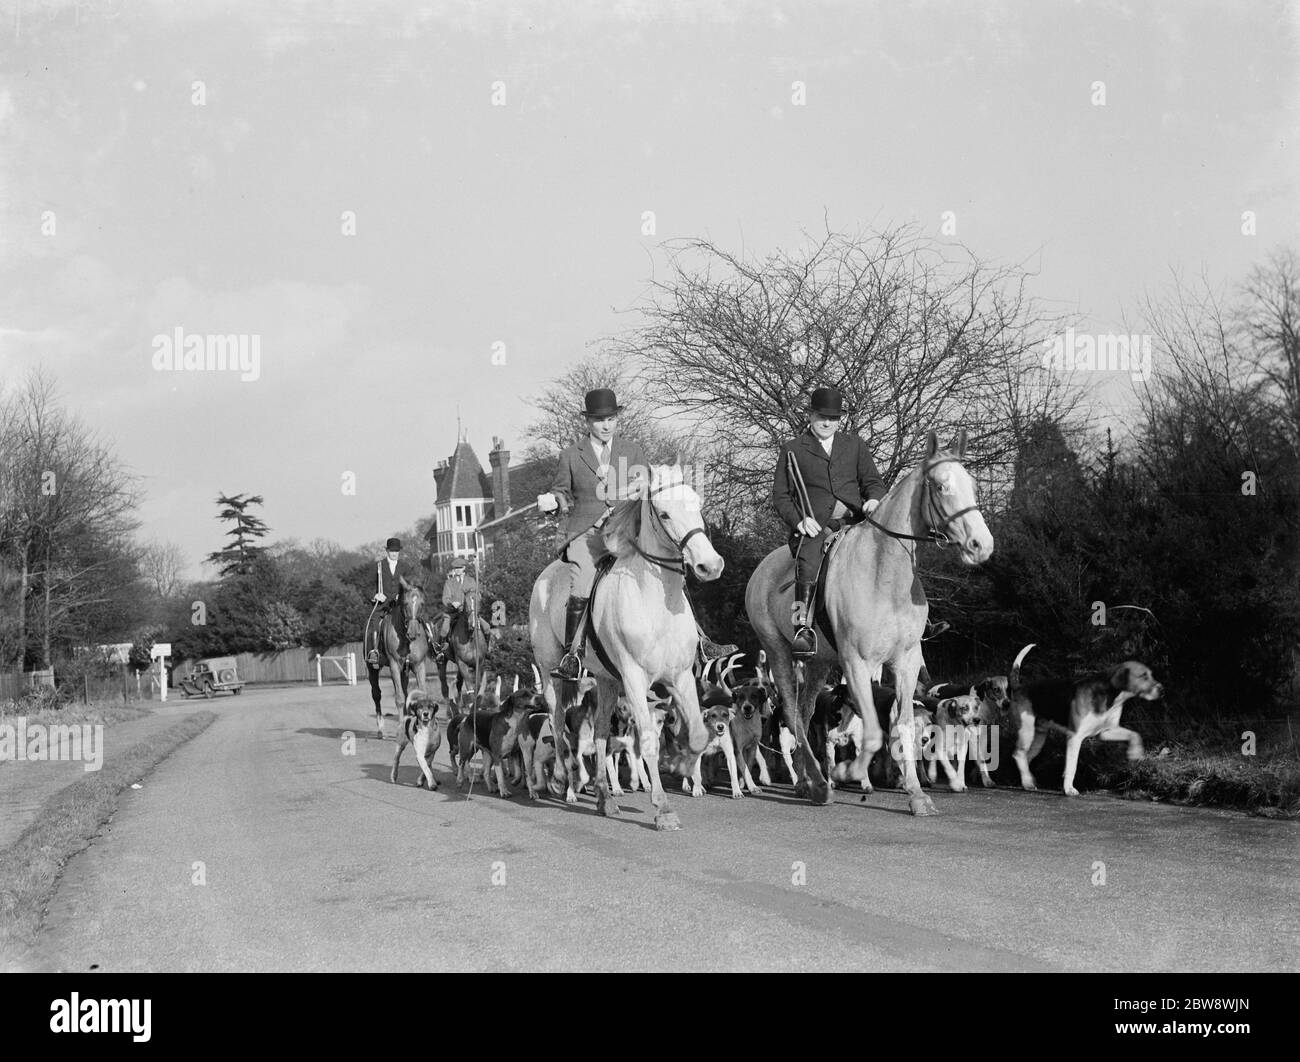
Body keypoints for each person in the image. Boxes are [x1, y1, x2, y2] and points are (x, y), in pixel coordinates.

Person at [536, 388, 650, 681]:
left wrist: (640, 486)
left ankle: (700, 640)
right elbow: (562, 491)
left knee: (664, 563)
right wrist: (552, 501)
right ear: (588, 422)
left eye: (611, 418)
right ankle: (573, 654)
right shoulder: (571, 456)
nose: (606, 425)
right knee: (584, 578)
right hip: (587, 533)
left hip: (626, 530)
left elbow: (646, 481)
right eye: (600, 420)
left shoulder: (633, 450)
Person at [772, 386, 886, 658]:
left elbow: (873, 482)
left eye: (833, 418)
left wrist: (874, 499)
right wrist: (800, 521)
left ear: (841, 419)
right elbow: (781, 495)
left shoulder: (854, 444)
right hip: (816, 527)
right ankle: (803, 628)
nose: (827, 422)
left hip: (857, 520)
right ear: (810, 415)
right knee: (808, 560)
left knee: (894, 548)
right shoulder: (792, 450)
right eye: (821, 416)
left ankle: (916, 619)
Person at [365, 537, 420, 666]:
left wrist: (406, 595)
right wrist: (375, 595)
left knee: (419, 620)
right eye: (391, 551)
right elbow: (367, 585)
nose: (394, 553)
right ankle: (374, 652)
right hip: (382, 606)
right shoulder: (378, 566)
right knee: (375, 623)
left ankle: (431, 646)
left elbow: (410, 585)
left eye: (396, 551)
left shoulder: (405, 567)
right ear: (387, 551)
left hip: (401, 605)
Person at [434, 559, 493, 662]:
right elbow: (445, 598)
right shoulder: (449, 582)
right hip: (453, 612)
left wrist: (476, 599)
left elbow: (476, 595)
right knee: (444, 629)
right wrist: (452, 603)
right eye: (455, 568)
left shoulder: (471, 581)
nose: (457, 570)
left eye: (459, 568)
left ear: (464, 568)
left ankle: (486, 650)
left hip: (469, 612)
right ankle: (441, 653)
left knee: (487, 627)